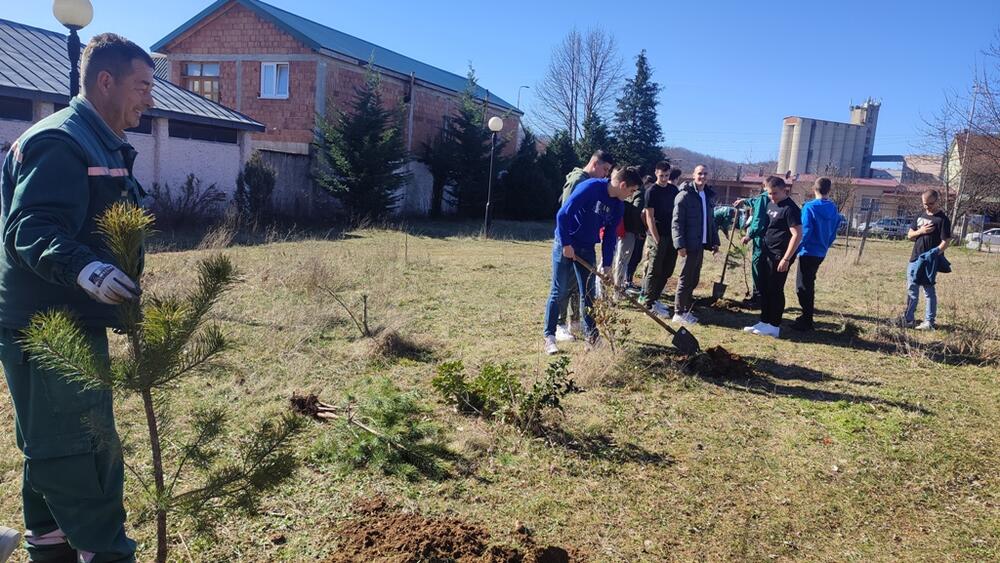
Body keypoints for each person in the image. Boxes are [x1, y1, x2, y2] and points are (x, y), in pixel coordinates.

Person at [0, 33, 154, 563]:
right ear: (104, 81)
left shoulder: (100, 141)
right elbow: (30, 227)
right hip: (44, 326)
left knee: (50, 437)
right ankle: (104, 551)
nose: (149, 99)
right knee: (75, 443)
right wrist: (87, 269)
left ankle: (52, 547)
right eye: (141, 86)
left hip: (70, 317)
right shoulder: (62, 141)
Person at [543, 167, 643, 355]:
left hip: (587, 248)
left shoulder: (618, 206)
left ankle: (592, 337)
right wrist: (566, 244)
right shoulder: (590, 187)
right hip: (566, 243)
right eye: (631, 191)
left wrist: (606, 264)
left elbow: (611, 236)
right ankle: (549, 337)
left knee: (588, 294)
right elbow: (563, 215)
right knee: (560, 290)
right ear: (622, 185)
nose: (630, 195)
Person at [554, 150, 616, 342]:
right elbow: (565, 213)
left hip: (584, 243)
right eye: (605, 169)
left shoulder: (594, 184)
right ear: (595, 163)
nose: (605, 175)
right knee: (564, 285)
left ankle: (576, 320)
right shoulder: (578, 181)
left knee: (578, 287)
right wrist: (568, 243)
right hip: (571, 243)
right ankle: (560, 324)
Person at [744, 176, 802, 338]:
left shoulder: (791, 209)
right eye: (769, 193)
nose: (772, 197)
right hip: (766, 251)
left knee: (775, 290)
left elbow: (797, 235)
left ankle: (774, 326)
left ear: (785, 190)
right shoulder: (770, 204)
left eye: (775, 193)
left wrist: (786, 258)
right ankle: (764, 321)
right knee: (763, 288)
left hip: (780, 256)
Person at [671, 164, 720, 325]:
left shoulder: (707, 196)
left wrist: (714, 242)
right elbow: (676, 222)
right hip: (688, 244)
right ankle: (678, 312)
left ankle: (685, 309)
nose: (702, 176)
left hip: (701, 244)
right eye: (700, 173)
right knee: (685, 278)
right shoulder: (684, 195)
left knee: (694, 278)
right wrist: (680, 244)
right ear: (693, 175)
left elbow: (710, 221)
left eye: (705, 174)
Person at [791, 177, 840, 331]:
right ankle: (806, 317)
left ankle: (806, 319)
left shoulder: (809, 207)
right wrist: (826, 244)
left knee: (802, 286)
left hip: (808, 251)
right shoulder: (833, 208)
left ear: (814, 189)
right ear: (829, 190)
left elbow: (805, 232)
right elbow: (834, 231)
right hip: (821, 252)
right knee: (809, 283)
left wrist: (794, 251)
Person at [900, 189, 952, 330]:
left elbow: (945, 242)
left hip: (930, 261)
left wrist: (934, 253)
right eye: (925, 204)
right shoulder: (920, 215)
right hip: (915, 258)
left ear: (937, 201)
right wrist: (921, 231)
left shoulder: (942, 219)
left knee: (928, 291)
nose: (927, 206)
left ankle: (929, 322)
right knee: (912, 289)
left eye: (930, 203)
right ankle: (908, 319)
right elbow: (910, 235)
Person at [639, 163, 681, 317]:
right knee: (654, 269)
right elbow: (649, 216)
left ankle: (655, 299)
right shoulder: (652, 191)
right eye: (661, 175)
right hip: (656, 235)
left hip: (671, 235)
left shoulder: (673, 190)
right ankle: (648, 303)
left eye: (667, 175)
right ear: (656, 173)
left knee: (667, 268)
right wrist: (656, 238)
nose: (664, 178)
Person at [611, 174, 649, 292]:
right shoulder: (639, 194)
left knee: (620, 259)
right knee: (621, 260)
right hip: (627, 231)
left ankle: (619, 286)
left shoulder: (630, 194)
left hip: (624, 229)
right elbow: (636, 212)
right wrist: (639, 228)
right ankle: (618, 289)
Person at [736, 183, 770, 309]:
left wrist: (749, 235)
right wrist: (745, 201)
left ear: (765, 186)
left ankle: (758, 299)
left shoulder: (764, 197)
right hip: (771, 240)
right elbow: (755, 201)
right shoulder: (771, 197)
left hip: (761, 240)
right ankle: (762, 297)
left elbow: (758, 221)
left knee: (758, 267)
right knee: (765, 269)